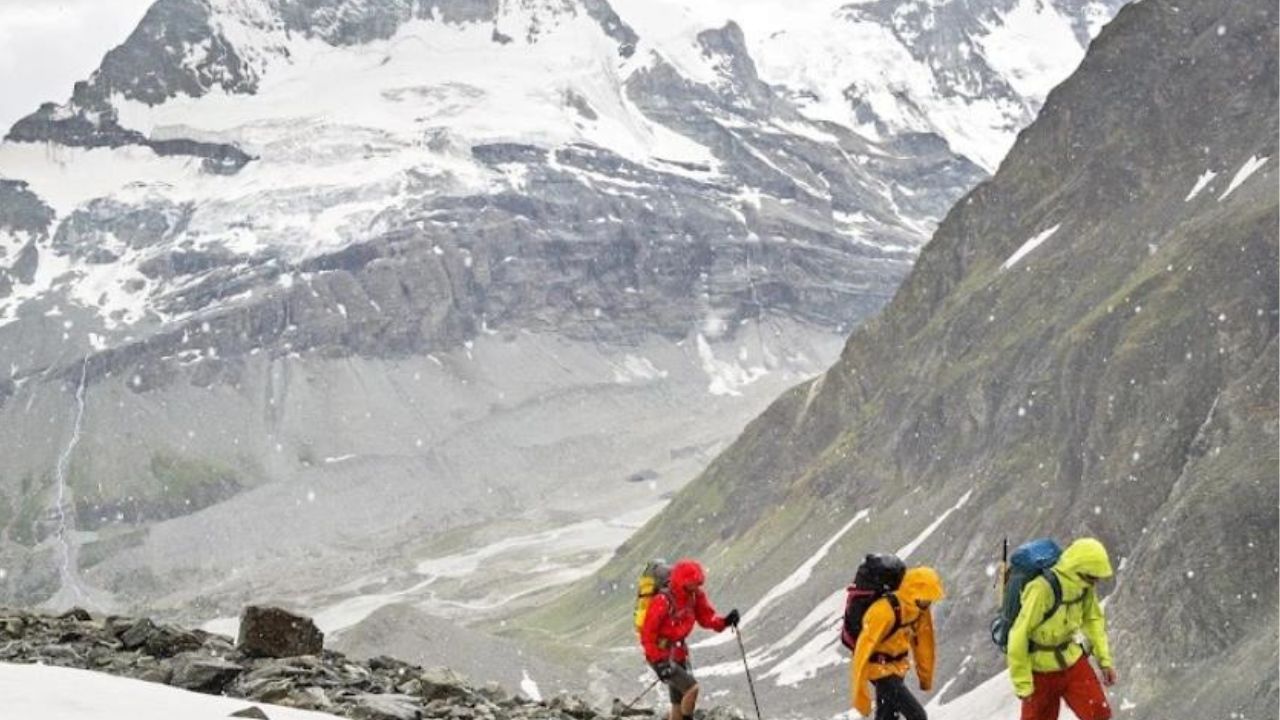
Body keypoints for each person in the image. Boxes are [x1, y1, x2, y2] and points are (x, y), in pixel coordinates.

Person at [1007, 537, 1116, 720]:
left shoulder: (1084, 587)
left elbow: (1093, 620)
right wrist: (1023, 684)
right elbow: (1019, 634)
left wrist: (1104, 661)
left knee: (1099, 713)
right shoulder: (1041, 589)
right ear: (1078, 570)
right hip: (1039, 671)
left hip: (1072, 661)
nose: (1094, 583)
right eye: (1091, 577)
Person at [640, 558, 740, 720]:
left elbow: (706, 618)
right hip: (661, 656)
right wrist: (658, 662)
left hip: (678, 654)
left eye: (699, 583)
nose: (697, 587)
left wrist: (726, 621)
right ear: (682, 581)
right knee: (691, 689)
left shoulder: (694, 596)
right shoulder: (662, 600)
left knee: (677, 705)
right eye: (694, 583)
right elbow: (647, 634)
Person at [850, 566, 944, 720]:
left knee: (887, 717)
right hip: (879, 670)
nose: (928, 603)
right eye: (925, 598)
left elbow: (924, 643)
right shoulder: (883, 611)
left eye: (930, 599)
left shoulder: (919, 610)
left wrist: (925, 677)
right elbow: (862, 650)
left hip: (898, 668)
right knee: (918, 716)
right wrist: (861, 696)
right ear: (913, 593)